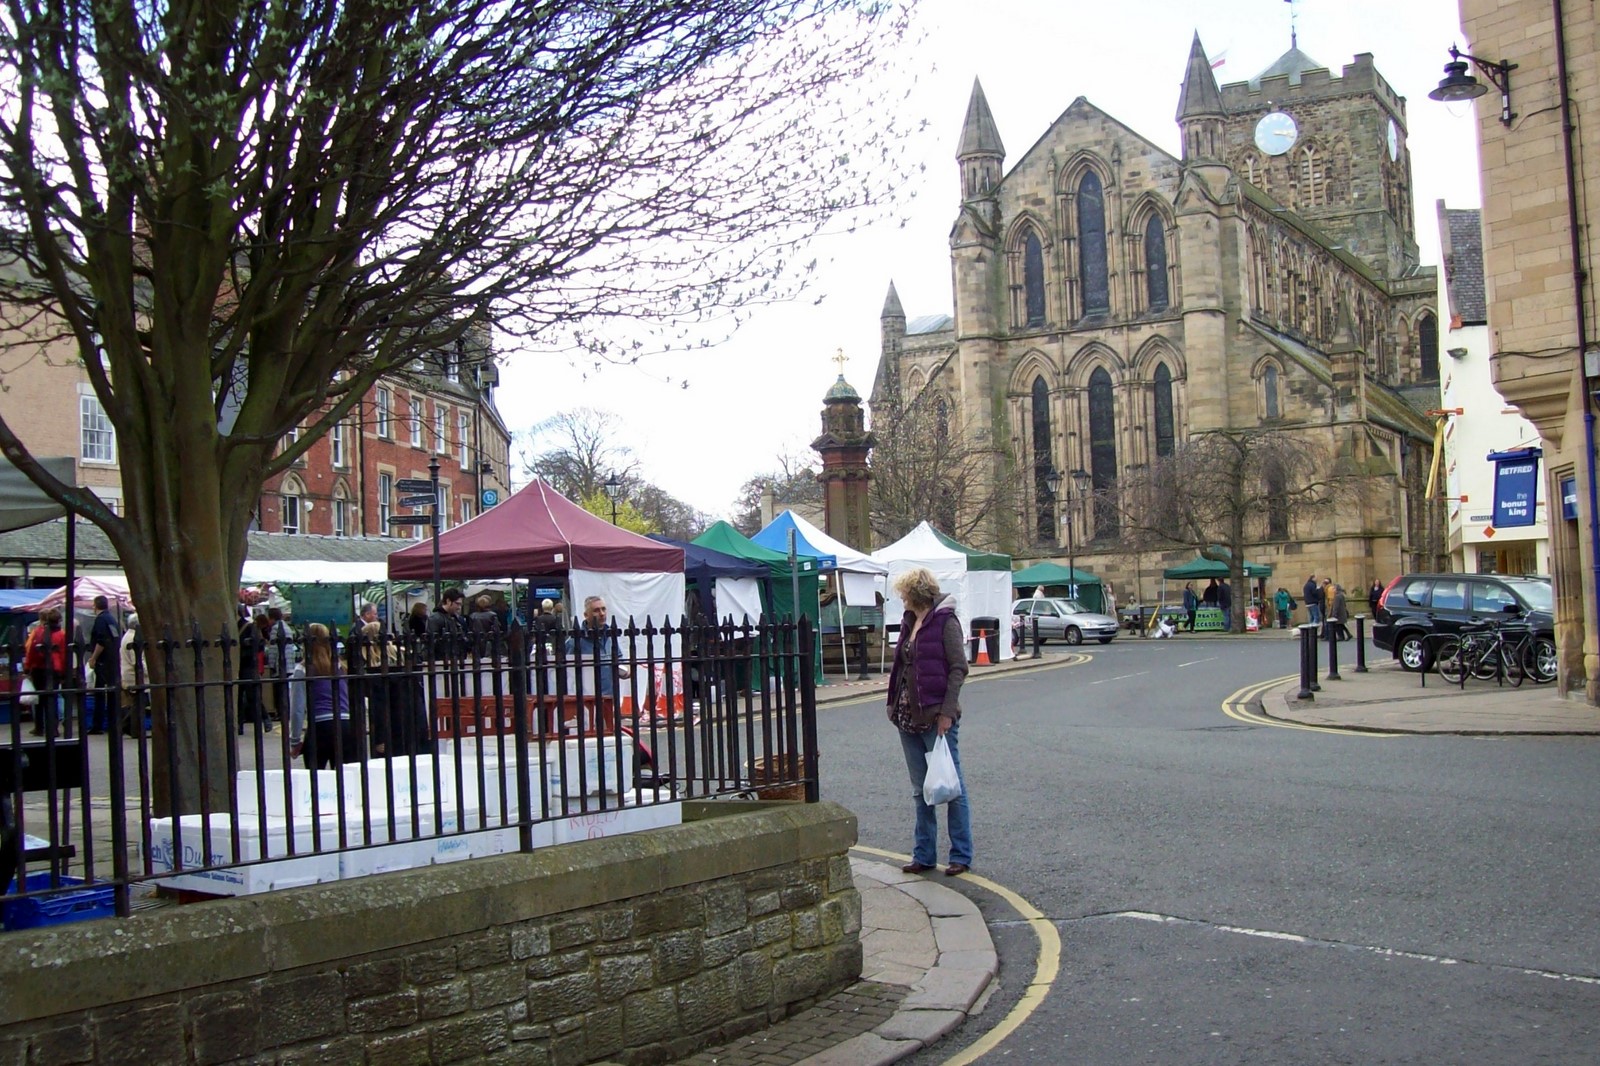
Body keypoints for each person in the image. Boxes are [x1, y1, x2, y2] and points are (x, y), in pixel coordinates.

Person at [885, 567, 972, 878]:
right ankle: (924, 855)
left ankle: (961, 855)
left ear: (916, 593)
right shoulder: (909, 621)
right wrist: (892, 703)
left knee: (950, 787)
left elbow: (958, 669)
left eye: (904, 593)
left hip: (936, 717)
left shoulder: (946, 621)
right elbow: (901, 666)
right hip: (906, 717)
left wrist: (947, 713)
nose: (901, 598)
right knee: (920, 789)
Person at [288, 623, 357, 768]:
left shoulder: (302, 669)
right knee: (344, 778)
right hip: (344, 724)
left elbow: (297, 709)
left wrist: (295, 740)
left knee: (316, 779)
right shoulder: (338, 666)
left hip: (319, 726)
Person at [564, 595, 633, 704]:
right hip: (587, 701)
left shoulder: (610, 635)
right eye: (596, 610)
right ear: (586, 615)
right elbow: (566, 674)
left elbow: (619, 659)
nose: (602, 613)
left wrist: (625, 671)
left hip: (610, 698)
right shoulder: (574, 642)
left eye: (603, 609)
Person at [23, 608, 70, 737]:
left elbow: (31, 651)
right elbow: (65, 654)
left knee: (40, 699)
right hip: (55, 669)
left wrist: (27, 667)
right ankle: (53, 728)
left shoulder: (38, 632)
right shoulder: (62, 634)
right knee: (53, 699)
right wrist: (65, 672)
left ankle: (39, 727)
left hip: (39, 668)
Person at [84, 594, 120, 735]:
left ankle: (97, 725)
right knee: (112, 693)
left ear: (95, 605)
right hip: (113, 660)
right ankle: (113, 722)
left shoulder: (100, 620)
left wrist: (93, 658)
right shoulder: (111, 619)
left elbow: (101, 641)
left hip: (103, 661)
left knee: (100, 693)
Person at [119, 613, 145, 736]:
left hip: (129, 674)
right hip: (133, 676)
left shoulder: (128, 636)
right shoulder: (132, 638)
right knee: (138, 704)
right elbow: (136, 661)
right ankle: (131, 728)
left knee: (137, 703)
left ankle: (128, 726)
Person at [426, 588, 470, 660]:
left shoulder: (459, 618)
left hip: (457, 658)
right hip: (443, 659)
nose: (459, 607)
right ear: (448, 601)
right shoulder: (435, 618)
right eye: (457, 603)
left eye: (460, 604)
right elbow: (432, 643)